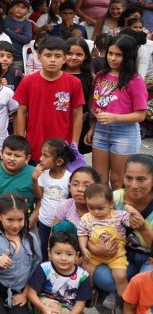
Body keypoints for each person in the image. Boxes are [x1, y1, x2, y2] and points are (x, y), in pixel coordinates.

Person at [86, 34, 147, 190]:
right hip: (101, 130)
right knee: (99, 179)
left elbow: (140, 115)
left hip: (125, 134)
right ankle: (102, 213)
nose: (112, 58)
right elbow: (93, 103)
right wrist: (93, 126)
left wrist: (114, 117)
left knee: (118, 181)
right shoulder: (100, 76)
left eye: (118, 55)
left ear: (129, 56)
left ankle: (119, 214)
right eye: (110, 53)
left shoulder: (135, 81)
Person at [14, 36, 84, 162]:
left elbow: (78, 114)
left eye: (57, 56)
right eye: (48, 55)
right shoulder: (28, 81)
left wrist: (74, 143)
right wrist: (21, 142)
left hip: (62, 146)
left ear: (64, 59)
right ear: (39, 57)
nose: (52, 60)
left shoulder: (74, 82)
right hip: (34, 145)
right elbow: (22, 112)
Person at [78, 182, 139, 314]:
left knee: (120, 276)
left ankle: (123, 299)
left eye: (100, 208)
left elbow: (132, 220)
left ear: (111, 203)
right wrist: (84, 248)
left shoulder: (118, 215)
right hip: (94, 255)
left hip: (116, 254)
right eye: (91, 207)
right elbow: (82, 234)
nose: (96, 211)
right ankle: (89, 292)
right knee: (86, 272)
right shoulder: (86, 218)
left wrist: (132, 212)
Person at [27, 231, 90, 314]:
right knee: (54, 307)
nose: (63, 258)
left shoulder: (83, 275)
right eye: (58, 253)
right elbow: (31, 294)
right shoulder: (45, 268)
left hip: (68, 307)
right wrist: (44, 308)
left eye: (69, 254)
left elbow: (80, 303)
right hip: (44, 302)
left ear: (77, 255)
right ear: (50, 253)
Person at [0, 193, 40, 314]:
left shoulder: (31, 239)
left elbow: (36, 269)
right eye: (10, 220)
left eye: (20, 219)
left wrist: (25, 294)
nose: (15, 225)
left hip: (18, 291)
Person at [32, 139, 75, 259]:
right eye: (41, 154)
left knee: (58, 251)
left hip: (61, 225)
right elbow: (38, 196)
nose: (40, 158)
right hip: (44, 222)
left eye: (45, 156)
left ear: (59, 161)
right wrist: (35, 180)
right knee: (44, 251)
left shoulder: (69, 178)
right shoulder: (43, 174)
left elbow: (71, 201)